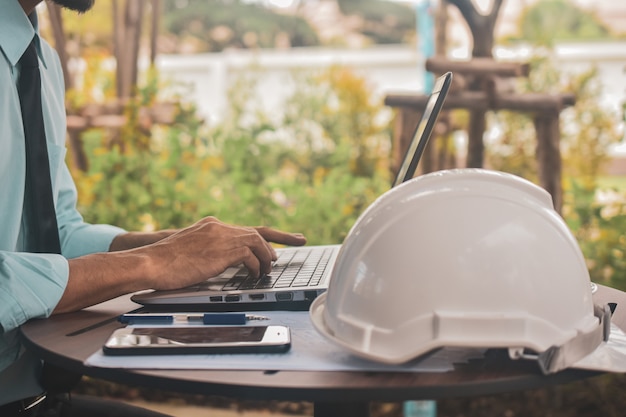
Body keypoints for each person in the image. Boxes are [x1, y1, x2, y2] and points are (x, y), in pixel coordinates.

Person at [0, 0, 307, 415]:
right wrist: (149, 263)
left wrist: (182, 247)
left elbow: (55, 231)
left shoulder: (41, 61)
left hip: (35, 396)